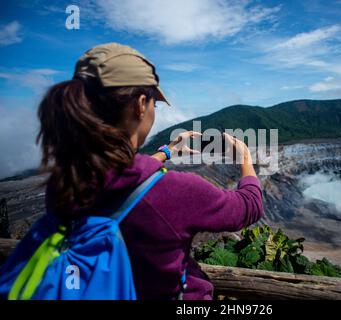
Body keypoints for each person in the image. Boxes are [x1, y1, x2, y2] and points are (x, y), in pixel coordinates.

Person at [37, 43, 264, 300]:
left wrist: (166, 153)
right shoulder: (175, 192)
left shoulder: (64, 182)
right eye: (154, 102)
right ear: (141, 105)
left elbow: (122, 176)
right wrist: (245, 158)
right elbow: (249, 207)